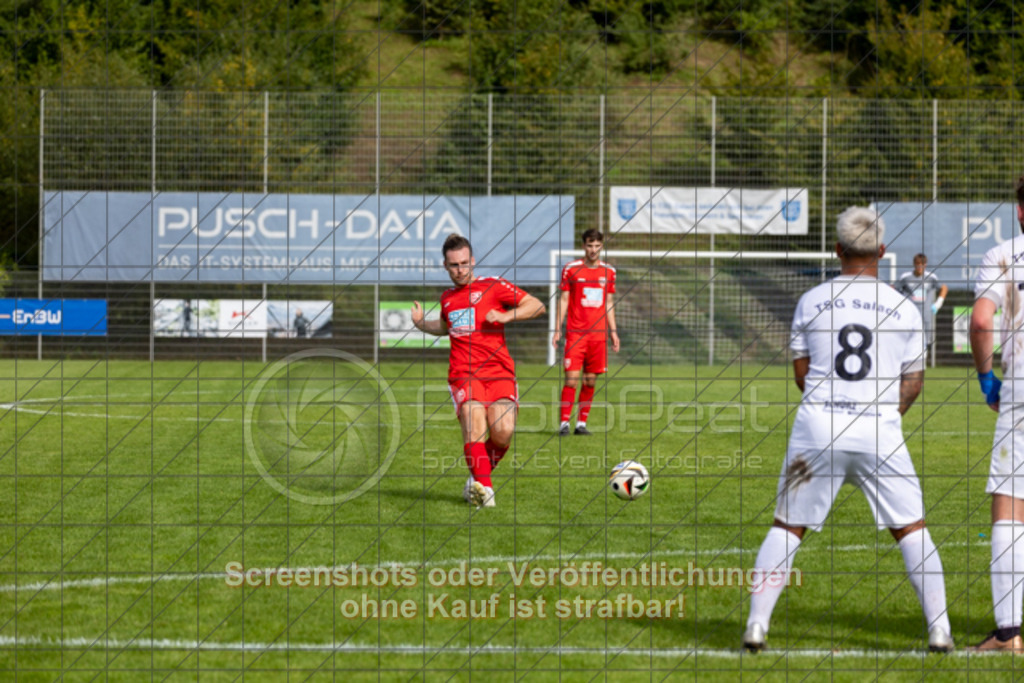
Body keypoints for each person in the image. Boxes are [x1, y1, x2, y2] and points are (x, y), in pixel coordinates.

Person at [743, 206, 953, 654]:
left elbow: (802, 374)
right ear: (882, 250)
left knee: (787, 526)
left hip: (818, 427)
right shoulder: (904, 307)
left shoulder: (812, 300)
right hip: (879, 430)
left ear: (837, 249)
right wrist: (881, 414)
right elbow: (914, 382)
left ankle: (756, 627)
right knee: (911, 529)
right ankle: (940, 631)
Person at [411, 234, 546, 508]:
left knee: (503, 432)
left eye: (464, 263)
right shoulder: (447, 298)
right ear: (445, 266)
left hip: (499, 372)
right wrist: (422, 324)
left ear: (472, 261)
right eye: (454, 265)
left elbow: (536, 305)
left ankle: (477, 479)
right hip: (463, 374)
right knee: (474, 425)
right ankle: (486, 493)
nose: (460, 270)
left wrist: (506, 315)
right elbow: (445, 327)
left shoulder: (493, 286)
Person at [968, 175, 1024, 652]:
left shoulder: (1004, 255)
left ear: (1021, 212)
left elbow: (981, 320)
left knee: (1010, 507)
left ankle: (1008, 633)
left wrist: (988, 379)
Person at [551, 229, 620, 436]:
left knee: (590, 381)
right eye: (590, 245)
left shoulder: (609, 272)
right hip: (576, 334)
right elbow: (563, 299)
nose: (593, 250)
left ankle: (581, 424)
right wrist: (557, 328)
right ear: (584, 246)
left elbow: (609, 303)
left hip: (598, 336)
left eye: (597, 246)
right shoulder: (571, 269)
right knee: (571, 380)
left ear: (602, 247)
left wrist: (613, 332)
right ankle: (564, 423)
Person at [896, 253, 948, 352]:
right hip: (909, 316)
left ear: (925, 265)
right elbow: (894, 289)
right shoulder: (905, 277)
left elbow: (944, 288)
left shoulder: (931, 277)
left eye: (922, 264)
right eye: (918, 264)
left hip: (926, 316)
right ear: (914, 264)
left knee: (925, 344)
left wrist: (938, 304)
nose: (920, 267)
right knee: (908, 342)